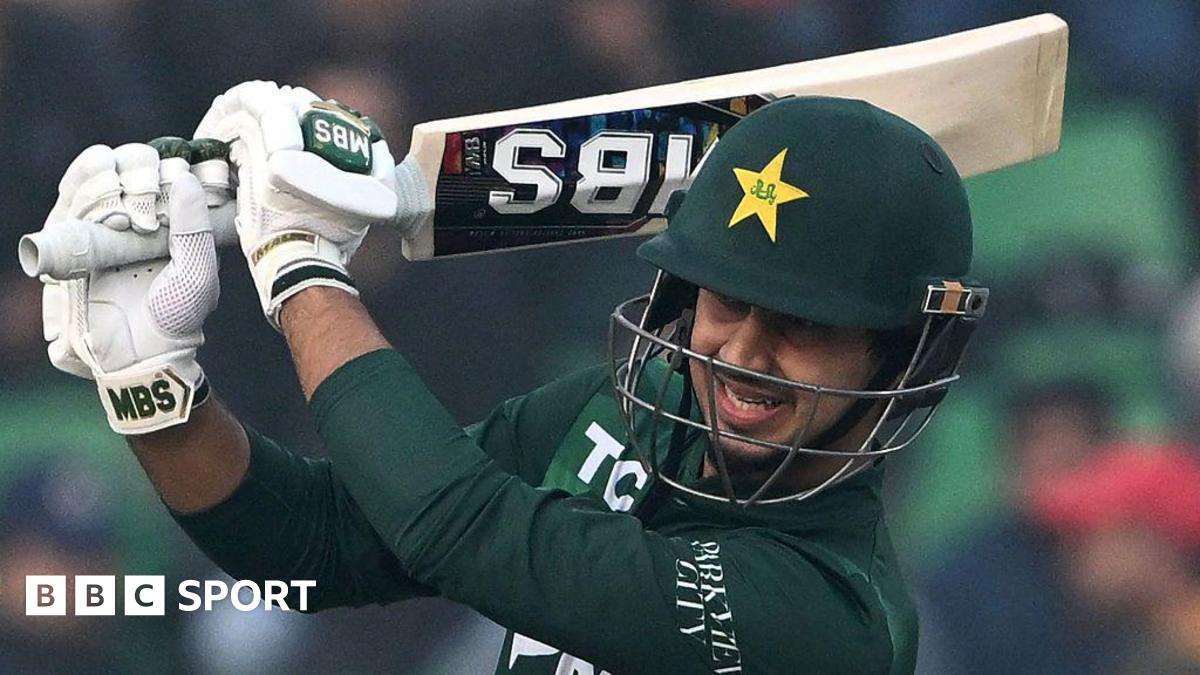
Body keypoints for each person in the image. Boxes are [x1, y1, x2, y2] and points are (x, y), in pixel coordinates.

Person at [30, 83, 987, 674]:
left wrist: (297, 260)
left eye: (803, 328)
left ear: (899, 356)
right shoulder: (628, 408)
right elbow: (318, 545)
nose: (738, 352)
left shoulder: (828, 619)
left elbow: (459, 526)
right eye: (723, 298)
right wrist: (151, 382)